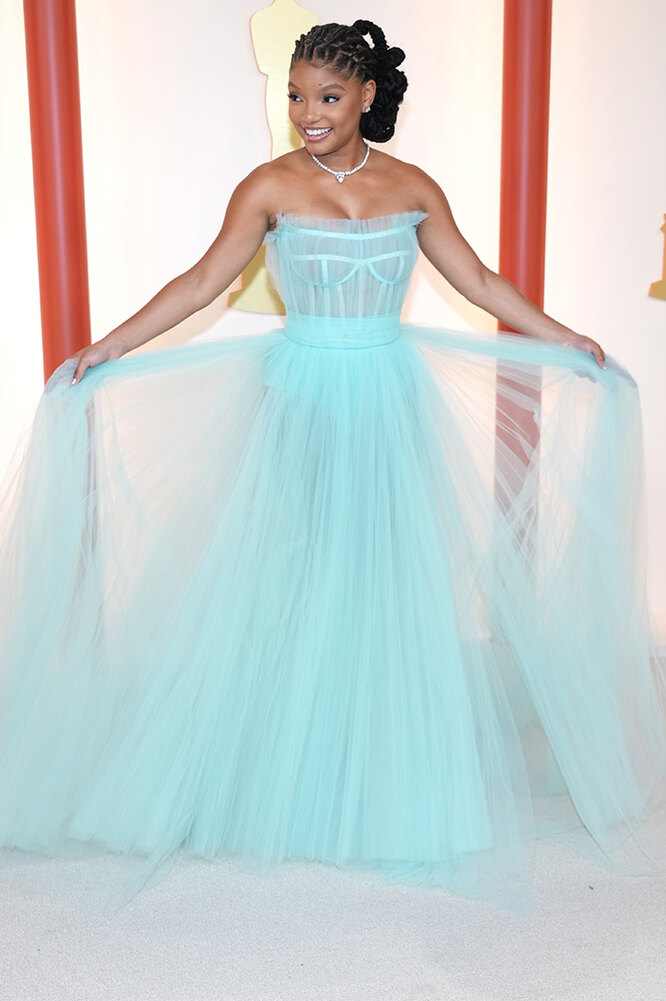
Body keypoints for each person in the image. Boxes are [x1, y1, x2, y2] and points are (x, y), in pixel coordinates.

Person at [0, 19, 664, 912]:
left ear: (367, 97)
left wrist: (565, 337)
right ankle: (278, 772)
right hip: (300, 399)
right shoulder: (268, 187)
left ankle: (379, 779)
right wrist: (106, 347)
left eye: (327, 96)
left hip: (389, 402)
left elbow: (481, 283)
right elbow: (199, 284)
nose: (307, 113)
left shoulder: (413, 187)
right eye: (296, 96)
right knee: (296, 582)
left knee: (384, 586)